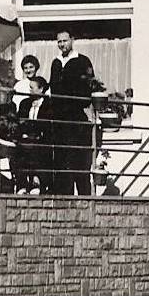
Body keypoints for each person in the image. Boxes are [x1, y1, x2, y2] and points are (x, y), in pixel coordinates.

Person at [48, 31, 96, 196]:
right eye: (59, 41)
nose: (62, 44)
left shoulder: (82, 61)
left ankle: (85, 199)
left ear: (72, 40)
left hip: (76, 117)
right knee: (62, 161)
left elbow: (90, 85)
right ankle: (65, 200)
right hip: (59, 119)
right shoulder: (56, 63)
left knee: (79, 160)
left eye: (65, 41)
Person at [14, 75, 54, 194]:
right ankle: (22, 184)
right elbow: (21, 122)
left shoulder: (49, 104)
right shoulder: (25, 103)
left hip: (41, 138)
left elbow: (47, 125)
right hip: (26, 138)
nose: (30, 91)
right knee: (20, 150)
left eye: (32, 88)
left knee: (38, 150)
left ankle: (37, 182)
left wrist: (34, 131)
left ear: (41, 89)